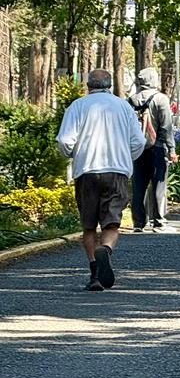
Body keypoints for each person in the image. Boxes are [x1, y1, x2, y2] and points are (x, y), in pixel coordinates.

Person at [57, 70, 146, 291]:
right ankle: (105, 249)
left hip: (86, 171)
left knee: (89, 227)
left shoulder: (77, 106)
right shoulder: (124, 107)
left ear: (88, 85)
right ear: (110, 86)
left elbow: (64, 141)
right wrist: (126, 159)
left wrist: (74, 154)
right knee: (112, 223)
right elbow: (138, 141)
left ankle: (95, 273)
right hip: (116, 171)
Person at [127, 67, 178, 234]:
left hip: (137, 149)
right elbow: (166, 127)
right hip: (157, 148)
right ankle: (159, 221)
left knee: (138, 184)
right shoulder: (161, 99)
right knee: (159, 185)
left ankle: (138, 222)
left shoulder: (131, 100)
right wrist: (171, 149)